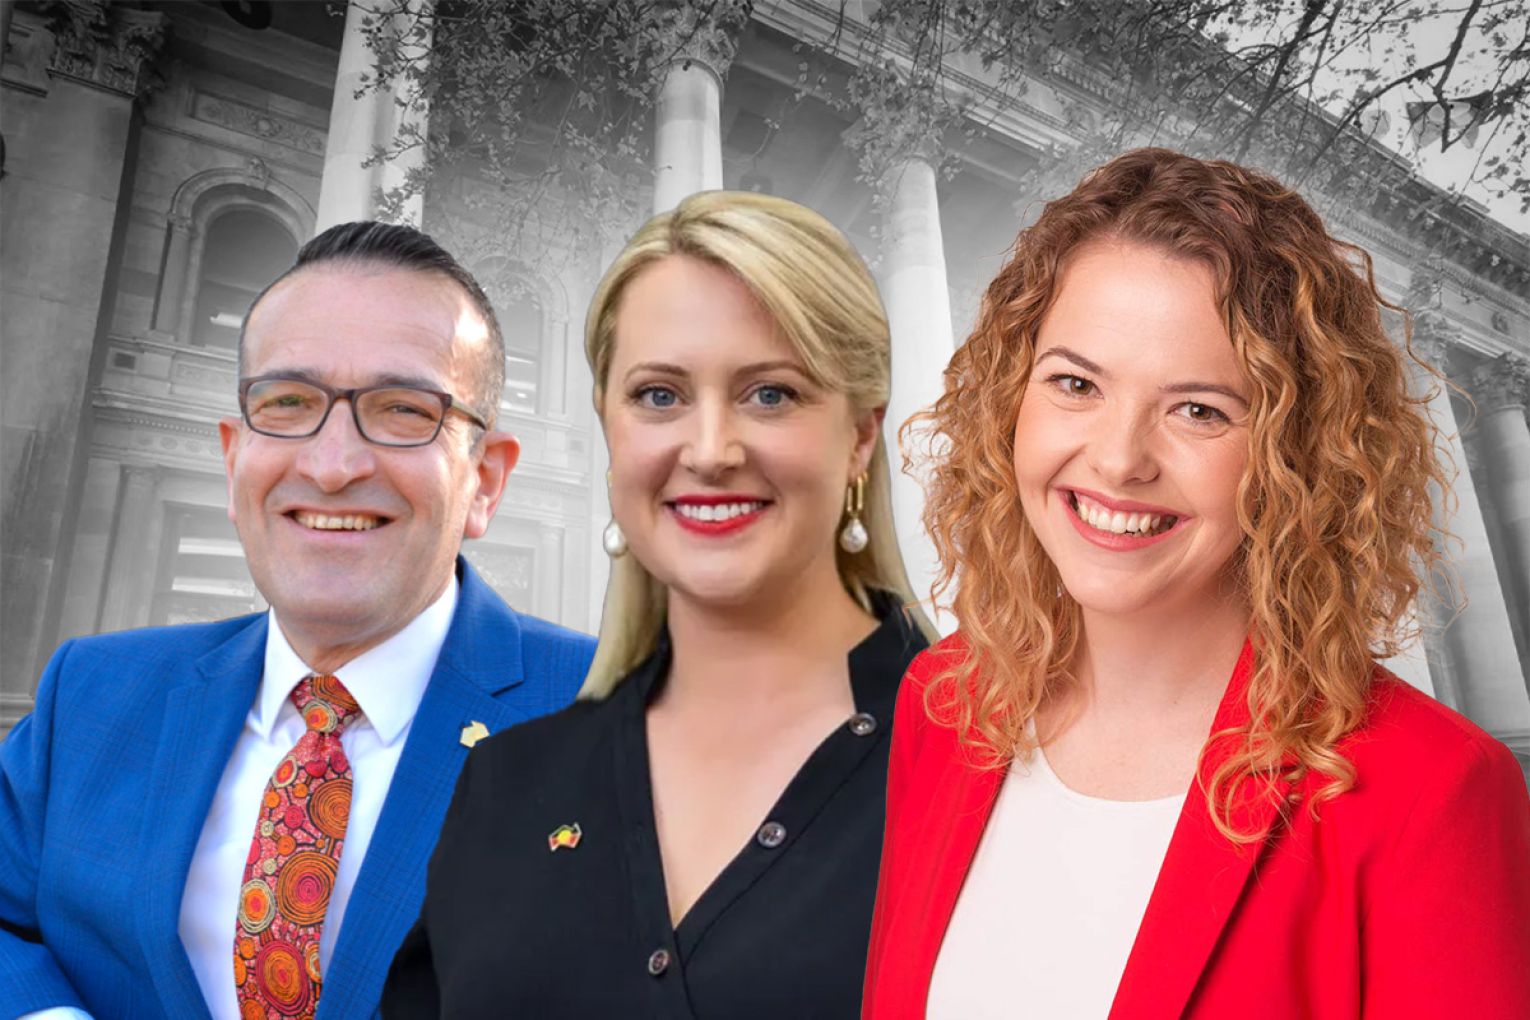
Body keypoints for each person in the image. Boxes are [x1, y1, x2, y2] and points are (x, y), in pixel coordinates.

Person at [862, 149, 1530, 1018]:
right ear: (1008, 402)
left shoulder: (1430, 793)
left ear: (1297, 456)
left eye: (1199, 410)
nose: (1117, 459)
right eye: (1076, 383)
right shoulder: (942, 702)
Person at [0, 221, 596, 1020]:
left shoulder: (628, 719)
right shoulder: (92, 694)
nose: (331, 464)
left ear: (485, 482)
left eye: (401, 409)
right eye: (287, 403)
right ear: (232, 457)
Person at [382, 190, 935, 1017]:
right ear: (609, 428)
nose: (710, 451)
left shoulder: (993, 760)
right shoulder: (504, 783)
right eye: (660, 397)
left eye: (771, 393)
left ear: (861, 434)